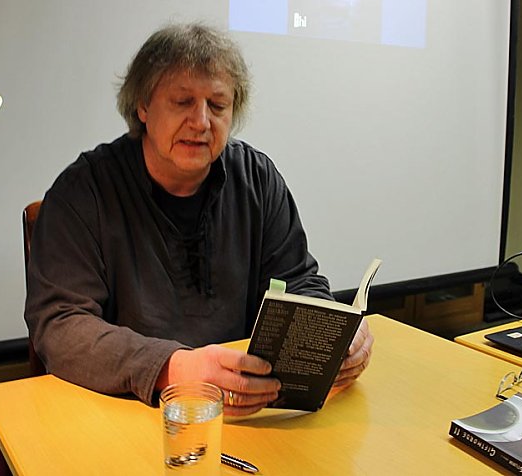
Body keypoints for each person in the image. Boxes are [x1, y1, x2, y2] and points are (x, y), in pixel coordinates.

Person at [24, 22, 373, 416]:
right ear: (143, 106)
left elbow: (296, 279)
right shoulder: (83, 192)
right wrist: (171, 369)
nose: (202, 121)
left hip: (246, 411)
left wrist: (329, 330)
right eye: (182, 101)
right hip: (126, 409)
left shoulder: (257, 179)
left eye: (218, 106)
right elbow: (59, 325)